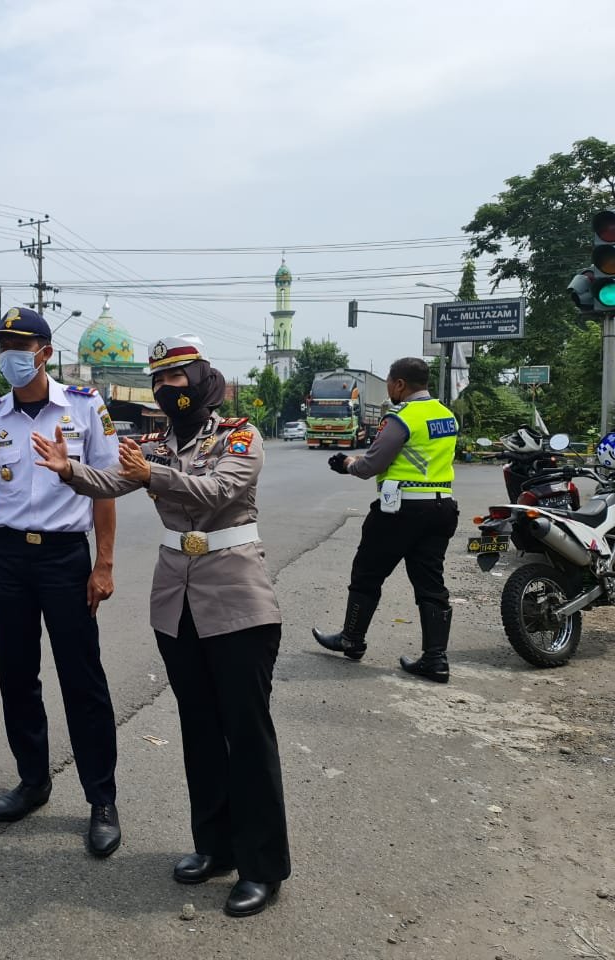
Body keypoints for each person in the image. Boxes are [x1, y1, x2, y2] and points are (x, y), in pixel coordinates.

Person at [30, 334, 290, 918]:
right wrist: (68, 469)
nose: (167, 388)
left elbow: (222, 491)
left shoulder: (240, 436)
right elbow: (112, 483)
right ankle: (214, 848)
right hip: (176, 600)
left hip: (236, 597)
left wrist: (153, 475)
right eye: (159, 379)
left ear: (202, 379)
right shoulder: (150, 444)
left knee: (245, 735)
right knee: (198, 729)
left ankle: (262, 866)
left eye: (178, 377)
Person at [0, 306, 122, 857]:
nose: (10, 354)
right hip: (8, 558)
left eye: (20, 344)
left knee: (82, 679)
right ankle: (33, 780)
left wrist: (102, 564)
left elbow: (103, 488)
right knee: (17, 675)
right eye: (2, 345)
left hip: (64, 559)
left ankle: (101, 798)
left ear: (44, 353)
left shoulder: (84, 408)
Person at [312, 356, 459, 683]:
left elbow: (372, 464)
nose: (390, 389)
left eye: (391, 383)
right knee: (430, 584)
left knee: (367, 573)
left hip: (401, 511)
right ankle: (436, 660)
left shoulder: (402, 417)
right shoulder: (446, 415)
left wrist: (347, 463)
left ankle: (352, 639)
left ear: (400, 384)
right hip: (441, 508)